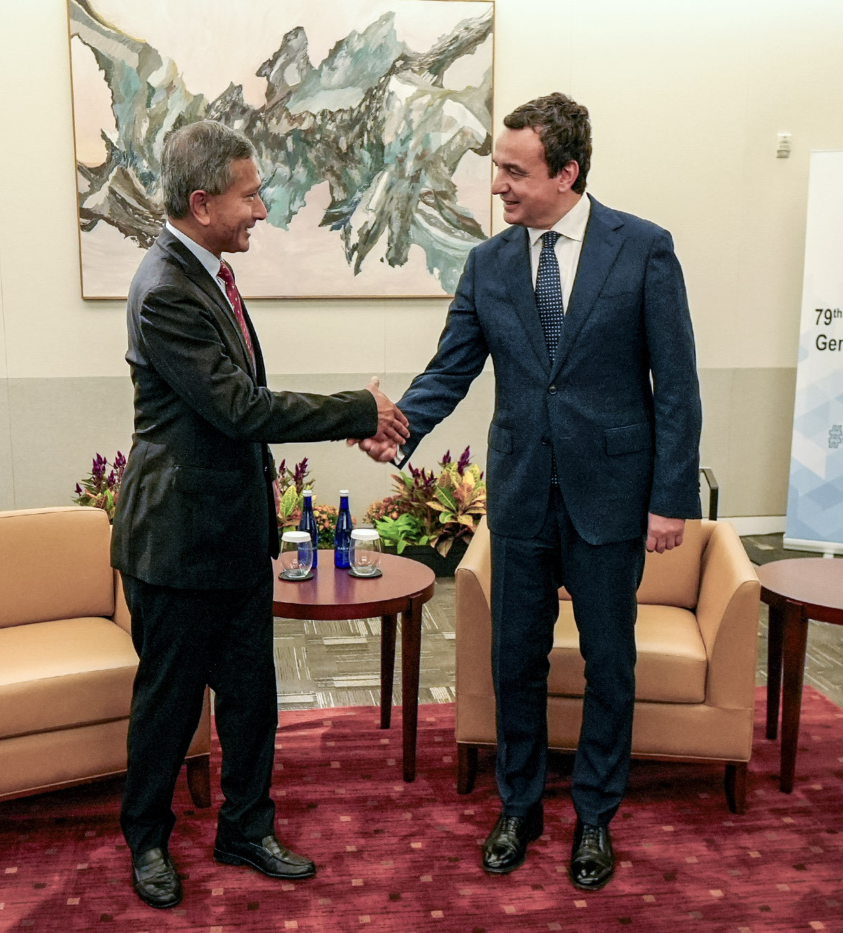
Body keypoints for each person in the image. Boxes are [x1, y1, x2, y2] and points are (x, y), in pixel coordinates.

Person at [356, 94, 702, 891]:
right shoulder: (488, 263)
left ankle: (596, 815)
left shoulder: (643, 248)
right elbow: (452, 367)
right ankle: (519, 806)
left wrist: (670, 497)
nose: (498, 186)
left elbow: (677, 385)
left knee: (610, 662)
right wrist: (398, 429)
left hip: (611, 496)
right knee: (515, 660)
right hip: (519, 496)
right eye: (498, 168)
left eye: (515, 171)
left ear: (566, 172)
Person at [111, 120, 409, 910]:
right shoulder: (166, 288)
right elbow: (240, 408)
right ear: (202, 202)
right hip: (176, 541)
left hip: (235, 534)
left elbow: (241, 408)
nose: (262, 209)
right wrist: (359, 407)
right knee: (169, 706)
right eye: (249, 196)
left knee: (251, 699)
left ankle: (246, 828)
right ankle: (146, 839)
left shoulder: (206, 273)